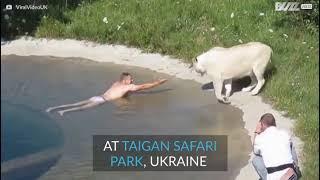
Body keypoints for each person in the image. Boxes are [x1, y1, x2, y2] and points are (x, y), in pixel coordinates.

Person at [46, 72, 167, 116]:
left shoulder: (116, 83)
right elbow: (144, 87)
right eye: (130, 79)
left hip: (97, 96)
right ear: (125, 80)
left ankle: (54, 108)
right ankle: (64, 112)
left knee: (75, 103)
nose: (132, 81)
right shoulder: (128, 86)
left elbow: (120, 93)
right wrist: (158, 83)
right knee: (81, 108)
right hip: (102, 101)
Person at [252, 113, 301, 180]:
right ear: (274, 123)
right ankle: (296, 169)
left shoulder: (260, 138)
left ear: (262, 125)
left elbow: (255, 151)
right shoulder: (284, 133)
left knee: (256, 159)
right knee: (290, 144)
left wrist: (257, 131)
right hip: (291, 176)